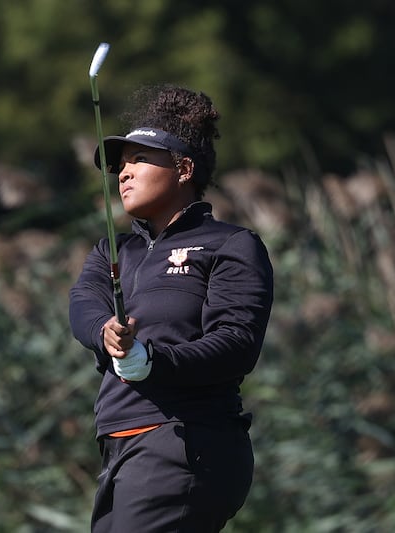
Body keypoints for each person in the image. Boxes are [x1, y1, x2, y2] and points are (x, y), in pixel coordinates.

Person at [69, 84, 274, 532]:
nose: (123, 174)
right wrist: (106, 330)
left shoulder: (230, 245)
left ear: (183, 168)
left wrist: (154, 361)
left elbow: (237, 343)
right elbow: (83, 304)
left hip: (186, 441)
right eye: (119, 167)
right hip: (120, 448)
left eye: (139, 160)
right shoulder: (112, 251)